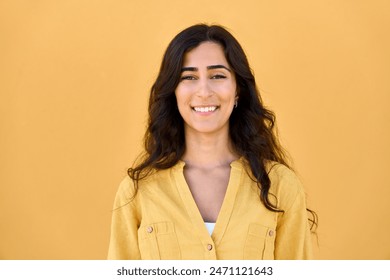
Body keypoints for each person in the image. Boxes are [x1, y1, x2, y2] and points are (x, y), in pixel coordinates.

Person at [107, 24, 317, 260]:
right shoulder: (137, 192)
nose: (204, 91)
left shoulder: (281, 186)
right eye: (189, 77)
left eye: (217, 76)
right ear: (173, 91)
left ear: (237, 89)